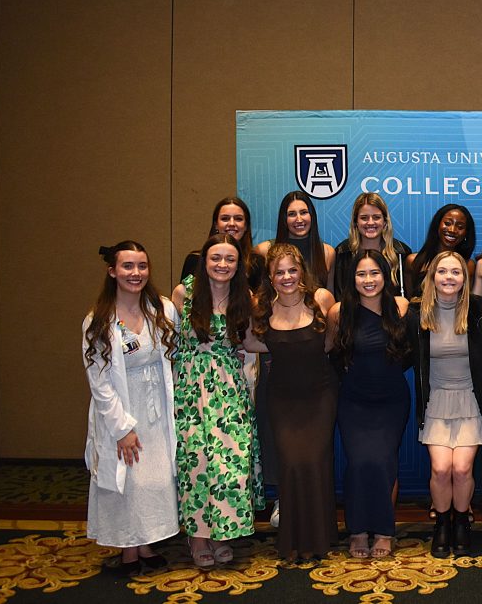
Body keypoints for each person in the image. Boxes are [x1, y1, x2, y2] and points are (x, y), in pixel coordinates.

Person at [83, 241, 178, 575]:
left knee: (153, 479)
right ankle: (127, 550)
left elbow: (173, 359)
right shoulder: (98, 321)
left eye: (141, 266)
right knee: (128, 478)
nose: (135, 274)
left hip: (157, 409)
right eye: (127, 266)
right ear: (112, 271)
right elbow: (99, 382)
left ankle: (148, 542)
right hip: (122, 410)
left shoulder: (163, 310)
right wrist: (122, 428)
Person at [172, 234, 263, 568]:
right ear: (204, 261)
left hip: (229, 388)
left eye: (230, 259)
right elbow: (171, 340)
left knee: (231, 461)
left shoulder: (246, 297)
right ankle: (198, 537)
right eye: (216, 258)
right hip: (191, 388)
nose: (222, 265)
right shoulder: (183, 294)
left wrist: (300, 340)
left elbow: (253, 342)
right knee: (196, 462)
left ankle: (222, 533)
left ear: (239, 264)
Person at [243, 244, 338, 561]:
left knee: (314, 463)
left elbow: (329, 344)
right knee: (292, 465)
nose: (286, 277)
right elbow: (249, 341)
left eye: (292, 270)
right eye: (279, 272)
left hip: (320, 397)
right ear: (270, 277)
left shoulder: (321, 300)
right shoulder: (262, 307)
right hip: (282, 400)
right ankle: (294, 538)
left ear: (302, 272)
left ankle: (319, 537)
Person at [406, 251, 482, 558]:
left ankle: (461, 524)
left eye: (456, 272)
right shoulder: (417, 314)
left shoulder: (480, 309)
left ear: (465, 279)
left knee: (462, 468)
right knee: (442, 469)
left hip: (470, 399)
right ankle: (442, 524)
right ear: (432, 277)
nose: (449, 277)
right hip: (436, 401)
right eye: (442, 271)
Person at [329, 249, 411, 559]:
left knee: (382, 461)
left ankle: (385, 531)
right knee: (359, 463)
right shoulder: (339, 312)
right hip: (353, 401)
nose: (368, 280)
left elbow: (410, 353)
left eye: (374, 273)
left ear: (386, 275)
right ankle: (358, 531)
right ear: (352, 278)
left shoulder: (400, 308)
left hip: (391, 400)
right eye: (361, 274)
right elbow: (332, 352)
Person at [333, 192, 412, 298]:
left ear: (385, 221)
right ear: (356, 222)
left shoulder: (401, 252)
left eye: (376, 217)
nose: (370, 223)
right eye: (364, 218)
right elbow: (339, 295)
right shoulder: (343, 252)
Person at [256, 190, 336, 291]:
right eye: (292, 214)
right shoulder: (264, 251)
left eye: (303, 212)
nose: (299, 219)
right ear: (284, 219)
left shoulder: (328, 253)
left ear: (312, 216)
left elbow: (329, 298)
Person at [179, 197, 266, 290]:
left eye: (238, 219)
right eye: (225, 218)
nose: (232, 223)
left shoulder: (256, 262)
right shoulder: (195, 260)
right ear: (216, 224)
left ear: (246, 226)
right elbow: (186, 299)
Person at [406, 204, 477, 299]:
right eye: (447, 223)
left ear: (466, 233)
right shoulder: (413, 261)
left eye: (460, 227)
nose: (452, 230)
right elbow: (409, 300)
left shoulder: (468, 265)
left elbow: (466, 301)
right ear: (437, 225)